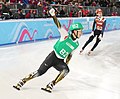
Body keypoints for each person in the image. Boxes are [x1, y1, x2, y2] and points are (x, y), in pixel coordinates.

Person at [13, 8, 83, 93]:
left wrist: (66, 64)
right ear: (74, 32)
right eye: (79, 31)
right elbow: (58, 25)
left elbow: (70, 55)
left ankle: (51, 84)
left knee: (66, 70)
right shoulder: (65, 35)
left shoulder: (76, 44)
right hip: (52, 57)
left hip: (60, 61)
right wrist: (53, 15)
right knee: (40, 72)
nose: (81, 33)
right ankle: (23, 81)